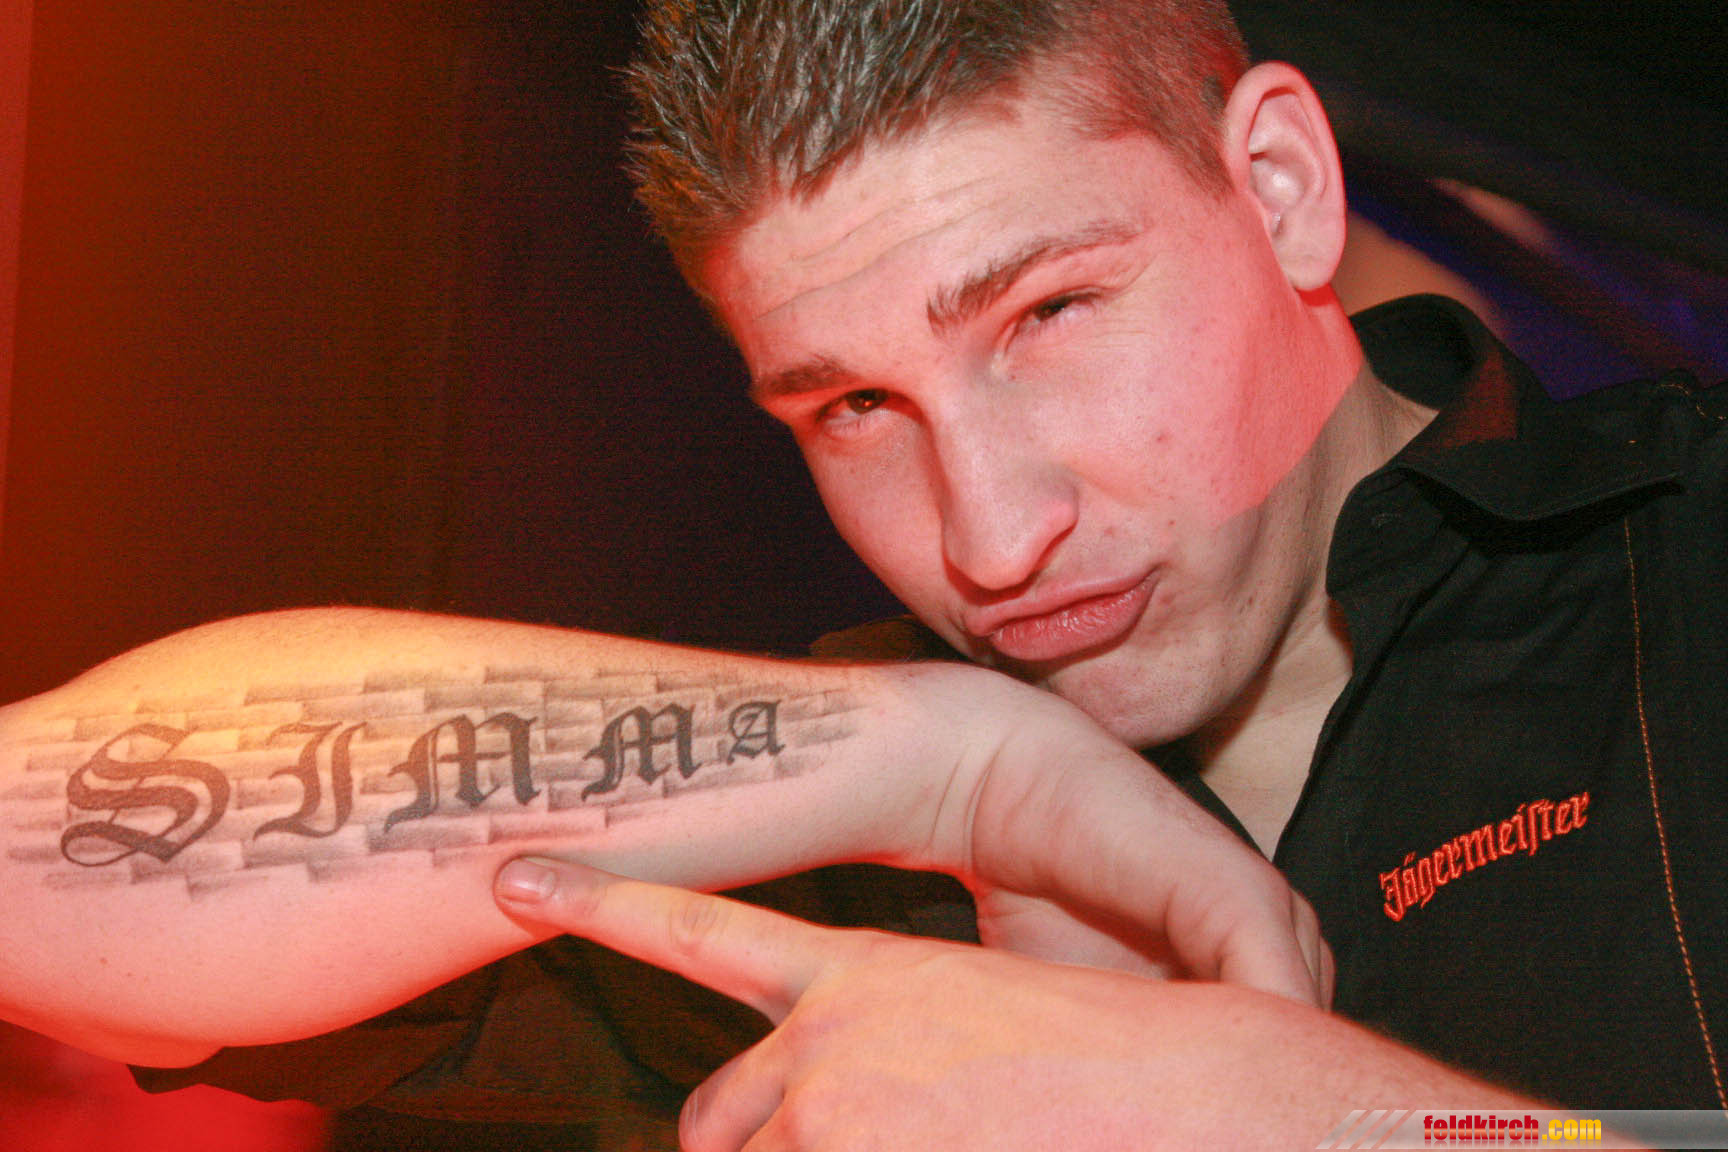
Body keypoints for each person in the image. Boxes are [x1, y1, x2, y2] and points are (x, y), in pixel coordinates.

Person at [0, 0, 1719, 1146]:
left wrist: (1343, 1131)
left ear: (1275, 188)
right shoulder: (837, 841)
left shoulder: (1688, 553)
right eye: (853, 407)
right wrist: (941, 760)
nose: (990, 537)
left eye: (1047, 313)